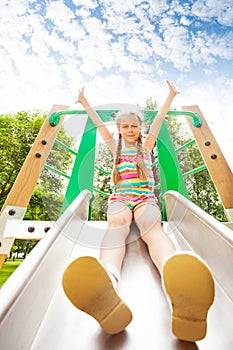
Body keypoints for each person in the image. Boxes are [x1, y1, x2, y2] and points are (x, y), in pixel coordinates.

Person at [62, 81, 214, 341]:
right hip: (120, 198)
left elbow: (159, 120)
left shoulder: (147, 146)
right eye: (125, 127)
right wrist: (85, 103)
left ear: (140, 129)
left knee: (152, 230)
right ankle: (108, 281)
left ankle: (175, 280)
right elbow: (100, 126)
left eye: (134, 126)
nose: (130, 130)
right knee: (117, 225)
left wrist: (169, 96)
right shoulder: (115, 149)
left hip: (145, 199)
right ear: (120, 130)